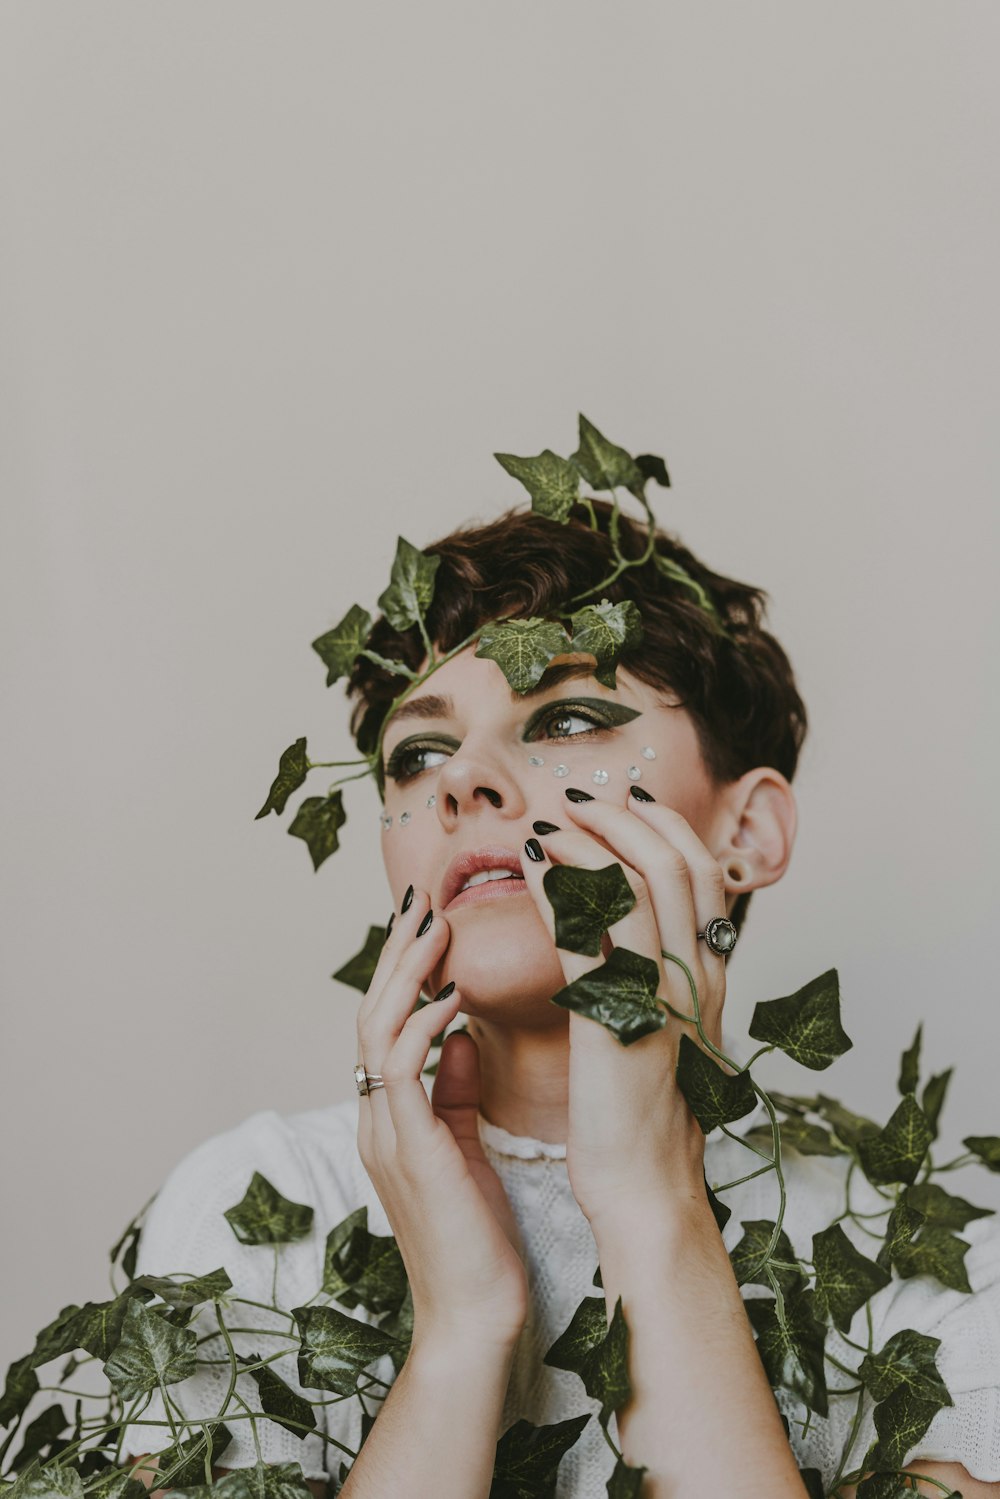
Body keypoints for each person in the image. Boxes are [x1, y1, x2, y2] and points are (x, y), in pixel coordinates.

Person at [122, 498, 1000, 1497]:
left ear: (744, 831)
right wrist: (460, 1333)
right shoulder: (258, 1209)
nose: (462, 780)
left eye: (567, 718)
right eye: (417, 753)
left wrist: (649, 1203)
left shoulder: (929, 1265)